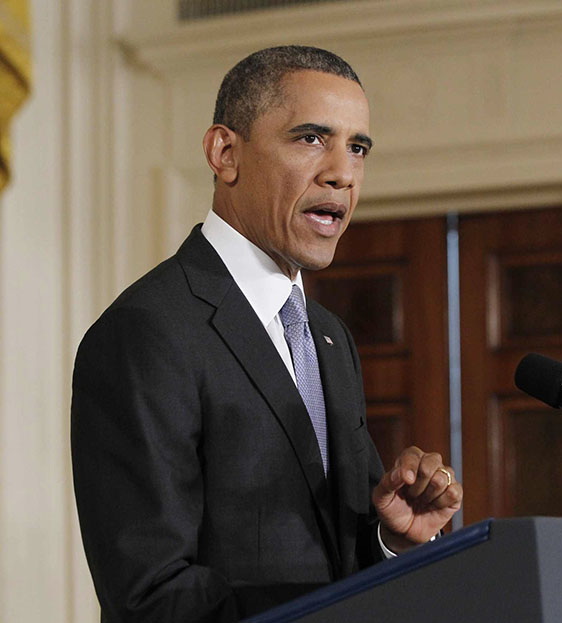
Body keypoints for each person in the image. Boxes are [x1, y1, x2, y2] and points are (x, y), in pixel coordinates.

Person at [71, 46, 463, 623]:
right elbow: (149, 596)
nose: (342, 172)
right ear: (225, 152)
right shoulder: (147, 332)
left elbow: (335, 556)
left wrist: (393, 543)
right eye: (311, 139)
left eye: (357, 147)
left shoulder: (328, 338)